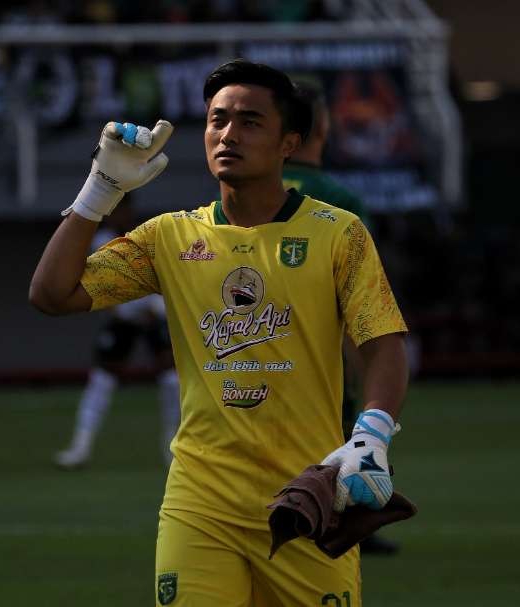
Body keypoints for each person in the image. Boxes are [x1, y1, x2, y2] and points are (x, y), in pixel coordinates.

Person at [29, 60, 409, 606]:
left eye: (251, 122)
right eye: (217, 120)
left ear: (289, 143)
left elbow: (384, 344)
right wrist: (100, 188)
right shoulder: (169, 237)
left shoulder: (339, 234)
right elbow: (51, 294)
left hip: (306, 499)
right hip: (201, 505)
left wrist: (371, 435)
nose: (228, 133)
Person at [282, 81, 400, 556]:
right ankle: (348, 525)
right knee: (343, 432)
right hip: (324, 350)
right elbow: (359, 302)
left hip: (250, 345)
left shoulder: (248, 195)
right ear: (323, 126)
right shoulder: (340, 201)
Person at [53, 196, 181, 469]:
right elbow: (101, 287)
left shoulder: (146, 236)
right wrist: (126, 311)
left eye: (123, 209)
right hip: (124, 320)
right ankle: (81, 446)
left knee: (172, 380)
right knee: (102, 379)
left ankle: (172, 447)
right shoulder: (104, 241)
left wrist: (157, 309)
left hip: (153, 318)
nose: (118, 214)